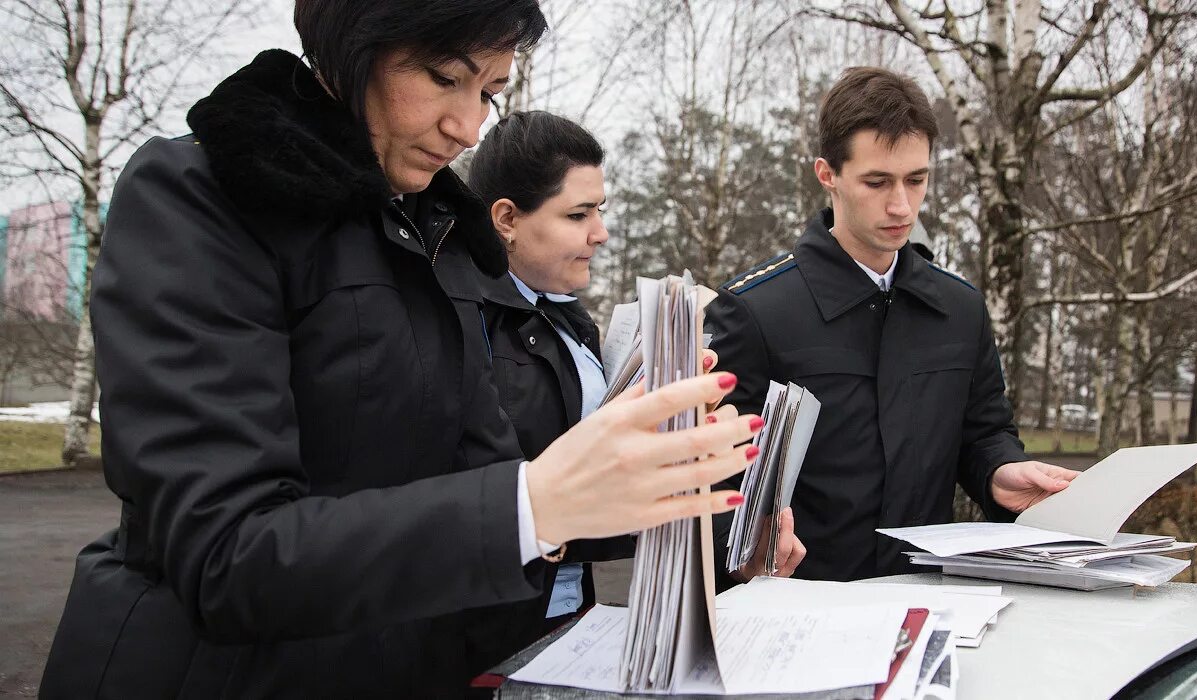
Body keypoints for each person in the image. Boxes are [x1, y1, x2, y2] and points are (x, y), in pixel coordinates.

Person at [40, 2, 763, 697]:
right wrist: (537, 500)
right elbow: (226, 556)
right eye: (445, 78)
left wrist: (667, 489)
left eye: (491, 91)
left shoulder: (436, 232)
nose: (468, 125)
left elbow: (485, 484)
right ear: (357, 40)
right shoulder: (200, 194)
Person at [706, 67, 1080, 584]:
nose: (902, 205)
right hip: (796, 611)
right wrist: (740, 546)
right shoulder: (753, 310)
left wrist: (999, 471)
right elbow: (710, 474)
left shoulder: (960, 308)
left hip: (926, 605)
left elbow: (983, 432)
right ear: (827, 173)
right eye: (877, 182)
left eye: (917, 179)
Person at [468, 111, 806, 643]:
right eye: (578, 214)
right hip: (484, 637)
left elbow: (607, 494)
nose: (600, 233)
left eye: (599, 210)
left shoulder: (570, 321)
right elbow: (488, 503)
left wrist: (730, 539)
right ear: (506, 218)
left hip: (566, 617)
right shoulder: (463, 324)